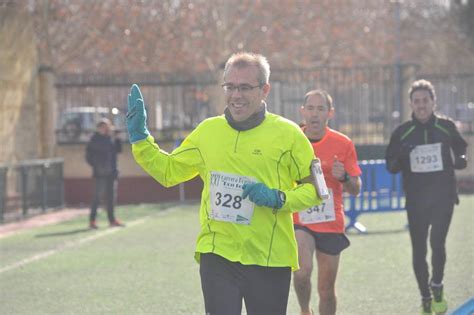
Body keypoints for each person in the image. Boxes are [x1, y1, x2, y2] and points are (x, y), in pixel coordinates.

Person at [126, 52, 322, 315]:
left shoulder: (289, 134)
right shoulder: (207, 132)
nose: (236, 95)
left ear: (264, 90)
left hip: (269, 256)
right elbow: (169, 172)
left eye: (245, 87)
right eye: (230, 87)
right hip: (217, 253)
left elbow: (317, 190)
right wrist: (140, 138)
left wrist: (279, 199)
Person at [385, 79, 468, 315]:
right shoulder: (403, 132)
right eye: (417, 101)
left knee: (438, 242)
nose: (421, 105)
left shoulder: (446, 126)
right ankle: (425, 297)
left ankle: (437, 284)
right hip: (417, 200)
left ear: (434, 102)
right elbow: (391, 165)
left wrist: (460, 159)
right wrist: (402, 155)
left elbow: (460, 148)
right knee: (419, 249)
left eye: (425, 100)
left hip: (443, 197)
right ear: (411, 103)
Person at [292, 90, 362, 315]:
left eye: (320, 109)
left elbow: (356, 189)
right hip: (300, 218)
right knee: (302, 272)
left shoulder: (343, 143)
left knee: (326, 290)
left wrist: (344, 177)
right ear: (302, 111)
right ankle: (305, 310)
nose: (314, 114)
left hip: (330, 221)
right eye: (310, 108)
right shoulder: (292, 140)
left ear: (329, 113)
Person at [85, 118, 124, 229]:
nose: (106, 129)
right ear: (99, 128)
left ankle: (112, 220)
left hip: (111, 173)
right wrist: (97, 166)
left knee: (111, 198)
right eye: (104, 127)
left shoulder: (110, 138)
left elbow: (119, 150)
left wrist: (117, 138)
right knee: (97, 197)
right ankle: (92, 221)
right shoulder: (95, 139)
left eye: (107, 126)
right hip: (100, 173)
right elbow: (88, 157)